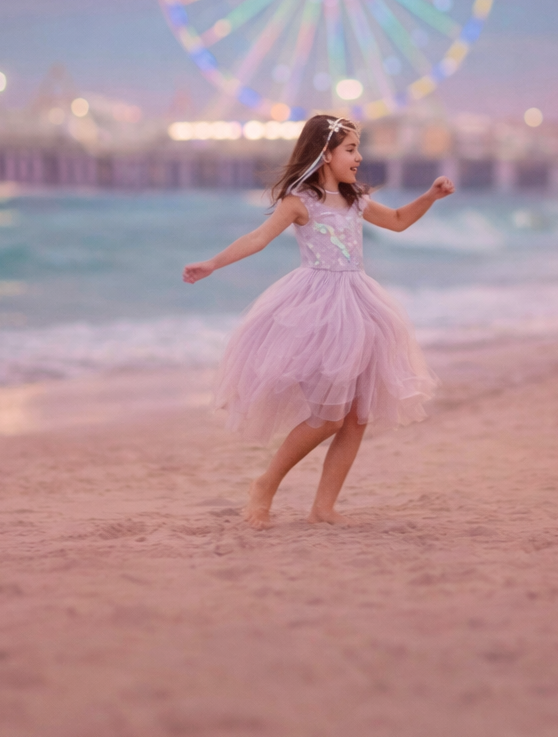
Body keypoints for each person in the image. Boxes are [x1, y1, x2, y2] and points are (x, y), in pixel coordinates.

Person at [182, 114, 454, 528]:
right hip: (318, 309)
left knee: (357, 416)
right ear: (325, 154)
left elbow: (398, 221)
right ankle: (264, 485)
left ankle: (323, 508)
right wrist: (213, 263)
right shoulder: (300, 201)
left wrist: (430, 197)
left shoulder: (356, 199)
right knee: (328, 414)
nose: (359, 157)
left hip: (360, 305)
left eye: (358, 148)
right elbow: (258, 238)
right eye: (350, 149)